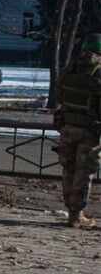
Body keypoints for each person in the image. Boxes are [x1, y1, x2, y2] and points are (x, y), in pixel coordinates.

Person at [54, 33, 101, 228]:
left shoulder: (69, 70)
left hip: (67, 126)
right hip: (90, 130)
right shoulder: (98, 72)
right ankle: (77, 214)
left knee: (69, 167)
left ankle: (71, 211)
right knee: (84, 171)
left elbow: (59, 97)